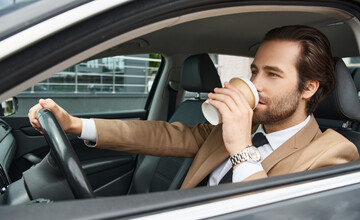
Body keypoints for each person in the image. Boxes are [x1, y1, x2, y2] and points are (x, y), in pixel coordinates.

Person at [28, 25, 359, 189]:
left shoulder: (335, 154)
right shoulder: (238, 128)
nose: (256, 84)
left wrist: (241, 148)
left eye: (273, 74)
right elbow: (159, 135)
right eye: (255, 71)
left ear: (309, 87)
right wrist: (74, 124)